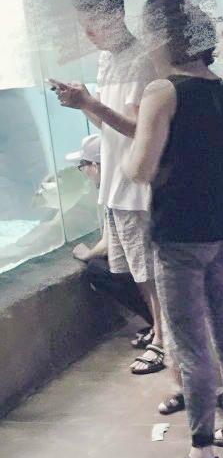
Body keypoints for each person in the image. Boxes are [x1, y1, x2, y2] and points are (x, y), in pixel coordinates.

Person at [123, 0, 223, 458]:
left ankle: (202, 456)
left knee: (190, 345)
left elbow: (139, 168)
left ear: (163, 37)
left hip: (180, 234)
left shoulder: (163, 91)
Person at [52, 0, 166, 376]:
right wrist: (82, 103)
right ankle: (160, 332)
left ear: (116, 14)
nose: (88, 32)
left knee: (151, 272)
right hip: (117, 183)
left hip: (138, 186)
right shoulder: (106, 60)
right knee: (138, 272)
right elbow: (107, 127)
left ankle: (164, 340)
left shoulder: (141, 60)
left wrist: (90, 102)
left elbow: (139, 130)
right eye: (83, 23)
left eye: (93, 22)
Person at [68, 134, 153, 333]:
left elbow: (108, 245)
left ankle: (159, 326)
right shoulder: (126, 184)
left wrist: (87, 254)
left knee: (96, 269)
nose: (83, 171)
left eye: (82, 165)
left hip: (152, 269)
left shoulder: (118, 195)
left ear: (95, 166)